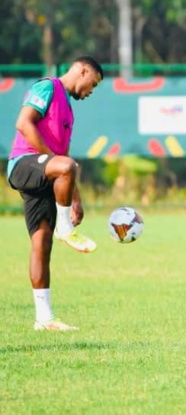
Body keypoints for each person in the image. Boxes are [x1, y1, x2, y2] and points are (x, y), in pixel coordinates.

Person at [7, 56, 104, 331]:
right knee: (66, 166)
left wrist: (75, 198)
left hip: (46, 172)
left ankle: (44, 319)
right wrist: (56, 162)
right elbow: (23, 123)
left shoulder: (69, 111)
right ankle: (65, 228)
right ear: (82, 70)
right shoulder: (48, 87)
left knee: (41, 244)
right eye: (92, 84)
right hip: (24, 163)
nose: (90, 92)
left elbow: (65, 159)